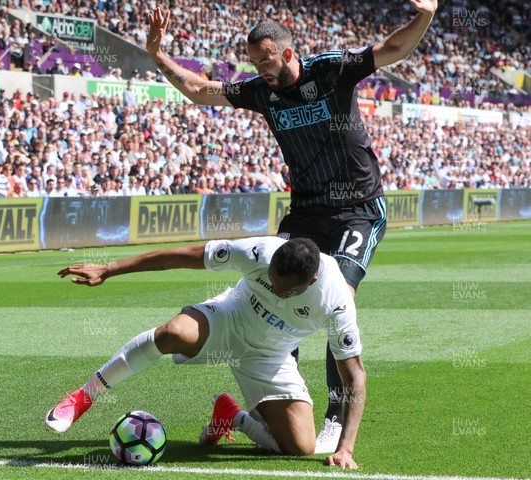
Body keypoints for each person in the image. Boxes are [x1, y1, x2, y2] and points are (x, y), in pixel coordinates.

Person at [146, 2, 437, 454]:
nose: (260, 69)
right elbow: (199, 90)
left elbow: (393, 47)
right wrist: (157, 54)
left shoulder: (331, 70)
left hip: (357, 211)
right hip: (304, 212)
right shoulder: (262, 92)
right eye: (254, 63)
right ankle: (283, 401)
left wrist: (425, 15)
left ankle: (336, 421)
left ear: (287, 52)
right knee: (274, 287)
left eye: (266, 60)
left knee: (335, 298)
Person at [46, 237, 365, 469]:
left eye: (284, 290)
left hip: (270, 357)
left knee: (300, 447)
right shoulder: (260, 251)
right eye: (271, 281)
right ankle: (83, 396)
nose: (275, 289)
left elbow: (354, 376)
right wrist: (109, 269)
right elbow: (181, 255)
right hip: (228, 318)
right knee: (172, 333)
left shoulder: (335, 300)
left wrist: (346, 449)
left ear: (311, 280)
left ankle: (233, 417)